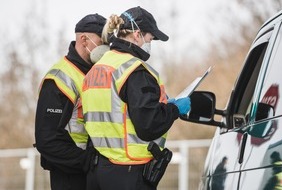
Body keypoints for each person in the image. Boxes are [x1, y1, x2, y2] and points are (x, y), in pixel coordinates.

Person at [81, 6, 191, 190]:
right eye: (150, 39)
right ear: (137, 35)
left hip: (99, 170)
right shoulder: (134, 70)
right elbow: (148, 125)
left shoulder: (98, 68)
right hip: (128, 172)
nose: (150, 44)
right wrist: (173, 110)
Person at [34, 13, 106, 190]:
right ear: (84, 40)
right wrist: (88, 161)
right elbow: (48, 139)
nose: (106, 48)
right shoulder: (59, 78)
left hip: (94, 172)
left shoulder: (97, 74)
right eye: (103, 42)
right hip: (70, 175)